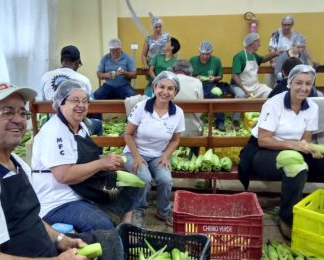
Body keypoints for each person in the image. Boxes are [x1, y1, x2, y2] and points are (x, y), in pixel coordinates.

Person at [0, 82, 123, 259]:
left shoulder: (17, 163)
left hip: (41, 246)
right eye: (6, 112)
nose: (18, 119)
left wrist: (61, 239)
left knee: (112, 242)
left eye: (22, 112)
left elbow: (30, 217)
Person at [30, 79, 141, 233]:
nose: (81, 105)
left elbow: (84, 159)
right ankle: (108, 225)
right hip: (58, 201)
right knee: (103, 226)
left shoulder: (81, 126)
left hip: (83, 189)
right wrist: (101, 164)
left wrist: (106, 161)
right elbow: (64, 176)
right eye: (75, 100)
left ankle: (124, 227)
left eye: (85, 101)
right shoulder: (54, 132)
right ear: (60, 103)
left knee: (132, 186)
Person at [238, 65, 324, 239]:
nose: (304, 88)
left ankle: (322, 210)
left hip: (293, 150)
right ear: (290, 83)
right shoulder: (275, 103)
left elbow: (305, 139)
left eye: (308, 83)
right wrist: (295, 146)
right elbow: (264, 139)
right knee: (295, 167)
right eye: (299, 83)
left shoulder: (312, 107)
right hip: (261, 152)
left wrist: (309, 148)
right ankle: (287, 218)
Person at [123, 71, 185, 227]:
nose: (165, 92)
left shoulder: (177, 113)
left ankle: (163, 211)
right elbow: (128, 135)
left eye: (170, 89)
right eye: (161, 87)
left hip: (158, 155)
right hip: (134, 152)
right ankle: (139, 210)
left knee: (166, 179)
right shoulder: (142, 107)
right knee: (144, 179)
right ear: (154, 87)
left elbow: (176, 140)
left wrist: (165, 156)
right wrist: (137, 157)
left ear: (175, 93)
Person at [41, 45, 102, 135]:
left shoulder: (46, 77)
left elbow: (44, 103)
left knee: (44, 121)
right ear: (77, 62)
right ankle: (89, 146)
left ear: (62, 61)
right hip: (75, 126)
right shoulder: (83, 80)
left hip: (52, 124)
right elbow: (91, 107)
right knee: (98, 124)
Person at [230, 32, 281, 130]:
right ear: (252, 43)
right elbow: (235, 75)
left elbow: (263, 59)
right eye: (258, 42)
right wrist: (244, 90)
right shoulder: (239, 56)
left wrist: (275, 53)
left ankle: (266, 119)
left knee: (270, 93)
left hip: (254, 86)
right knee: (240, 95)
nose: (260, 44)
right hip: (239, 86)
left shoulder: (254, 56)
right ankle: (235, 120)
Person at [189, 41, 225, 131]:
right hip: (194, 86)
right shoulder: (192, 60)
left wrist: (214, 78)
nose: (205, 57)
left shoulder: (216, 61)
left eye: (207, 54)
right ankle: (192, 122)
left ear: (211, 52)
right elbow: (187, 75)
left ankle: (220, 122)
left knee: (217, 97)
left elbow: (220, 76)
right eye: (202, 54)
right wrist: (194, 78)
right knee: (189, 98)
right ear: (199, 52)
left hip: (210, 85)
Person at [173, 59, 204, 157]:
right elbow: (200, 109)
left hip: (170, 130)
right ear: (190, 72)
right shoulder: (197, 82)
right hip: (192, 129)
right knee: (200, 125)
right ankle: (193, 156)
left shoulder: (167, 80)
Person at [141, 13, 170, 96]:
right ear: (152, 27)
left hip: (163, 64)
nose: (158, 29)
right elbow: (143, 54)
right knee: (153, 84)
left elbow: (171, 50)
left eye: (160, 26)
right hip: (151, 65)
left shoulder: (167, 37)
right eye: (156, 27)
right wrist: (145, 64)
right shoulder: (148, 39)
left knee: (165, 83)